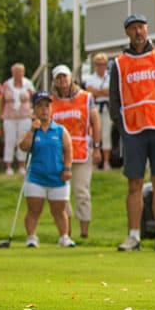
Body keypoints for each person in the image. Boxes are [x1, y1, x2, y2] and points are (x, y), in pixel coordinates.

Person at [109, 13, 155, 252]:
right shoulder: (119, 64)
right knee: (134, 183)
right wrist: (122, 127)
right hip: (133, 130)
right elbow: (114, 99)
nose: (138, 32)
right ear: (127, 33)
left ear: (147, 29)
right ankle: (133, 236)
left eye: (141, 27)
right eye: (133, 28)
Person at [18, 91, 75, 248]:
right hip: (36, 177)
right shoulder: (31, 130)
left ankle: (64, 236)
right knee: (34, 210)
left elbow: (68, 150)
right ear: (34, 109)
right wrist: (31, 131)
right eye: (40, 106)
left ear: (51, 109)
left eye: (47, 106)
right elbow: (23, 147)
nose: (44, 110)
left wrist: (67, 168)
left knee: (59, 210)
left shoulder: (60, 130)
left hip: (57, 177)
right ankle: (31, 237)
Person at [51, 64, 101, 239]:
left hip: (81, 151)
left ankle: (84, 232)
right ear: (54, 81)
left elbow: (95, 122)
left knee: (82, 191)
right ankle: (67, 230)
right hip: (59, 154)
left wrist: (96, 147)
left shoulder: (85, 98)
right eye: (59, 78)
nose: (62, 80)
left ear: (71, 78)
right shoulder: (51, 102)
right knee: (61, 194)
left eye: (64, 76)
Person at [0, 63, 35, 175]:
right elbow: (2, 100)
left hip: (24, 116)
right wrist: (1, 113)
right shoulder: (7, 84)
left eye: (20, 72)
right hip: (9, 116)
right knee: (10, 140)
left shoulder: (28, 84)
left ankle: (21, 165)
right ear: (12, 73)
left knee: (22, 140)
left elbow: (34, 98)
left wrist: (34, 112)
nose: (18, 74)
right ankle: (8, 166)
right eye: (16, 72)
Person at [84, 52, 113, 170]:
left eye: (103, 64)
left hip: (107, 109)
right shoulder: (90, 78)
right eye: (98, 64)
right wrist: (102, 91)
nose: (101, 67)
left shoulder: (110, 78)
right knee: (95, 134)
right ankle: (95, 162)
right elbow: (90, 93)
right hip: (95, 108)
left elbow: (110, 91)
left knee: (106, 135)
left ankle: (106, 162)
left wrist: (98, 91)